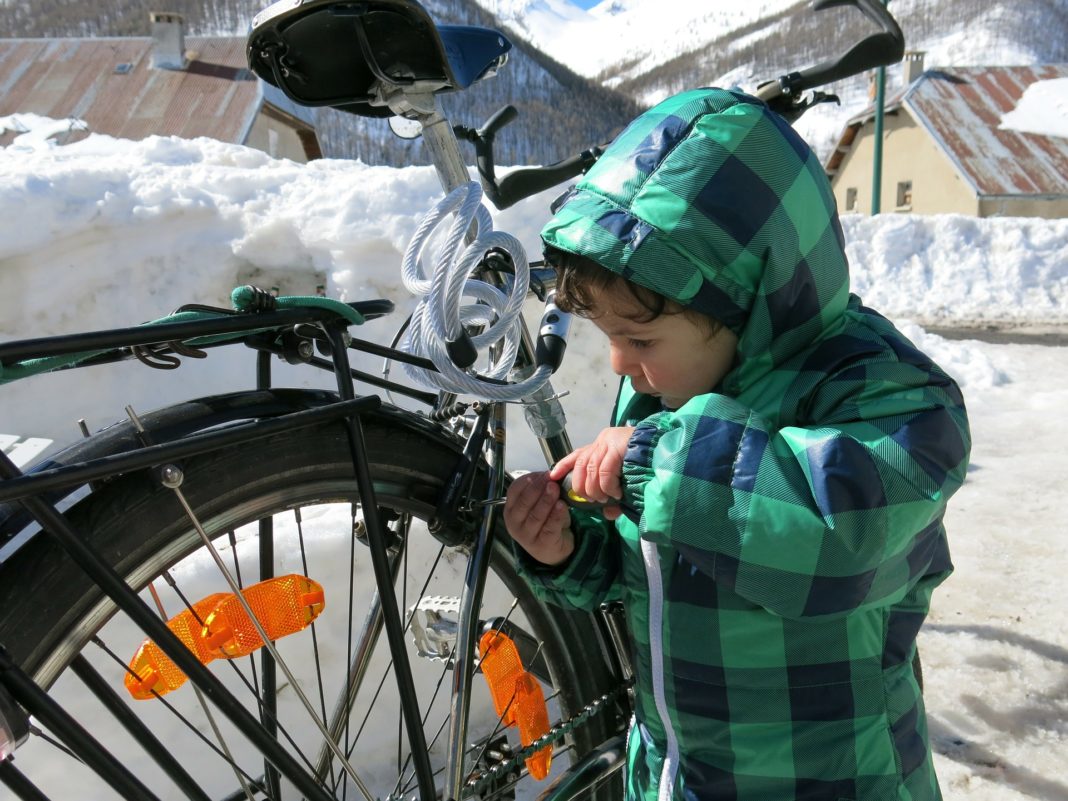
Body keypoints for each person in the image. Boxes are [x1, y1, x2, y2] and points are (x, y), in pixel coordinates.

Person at [504, 87, 971, 801]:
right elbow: (656, 569)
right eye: (611, 340)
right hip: (677, 775)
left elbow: (835, 537)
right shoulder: (673, 393)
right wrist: (569, 550)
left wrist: (657, 462)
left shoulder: (892, 397)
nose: (621, 367)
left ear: (748, 303)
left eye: (639, 339)